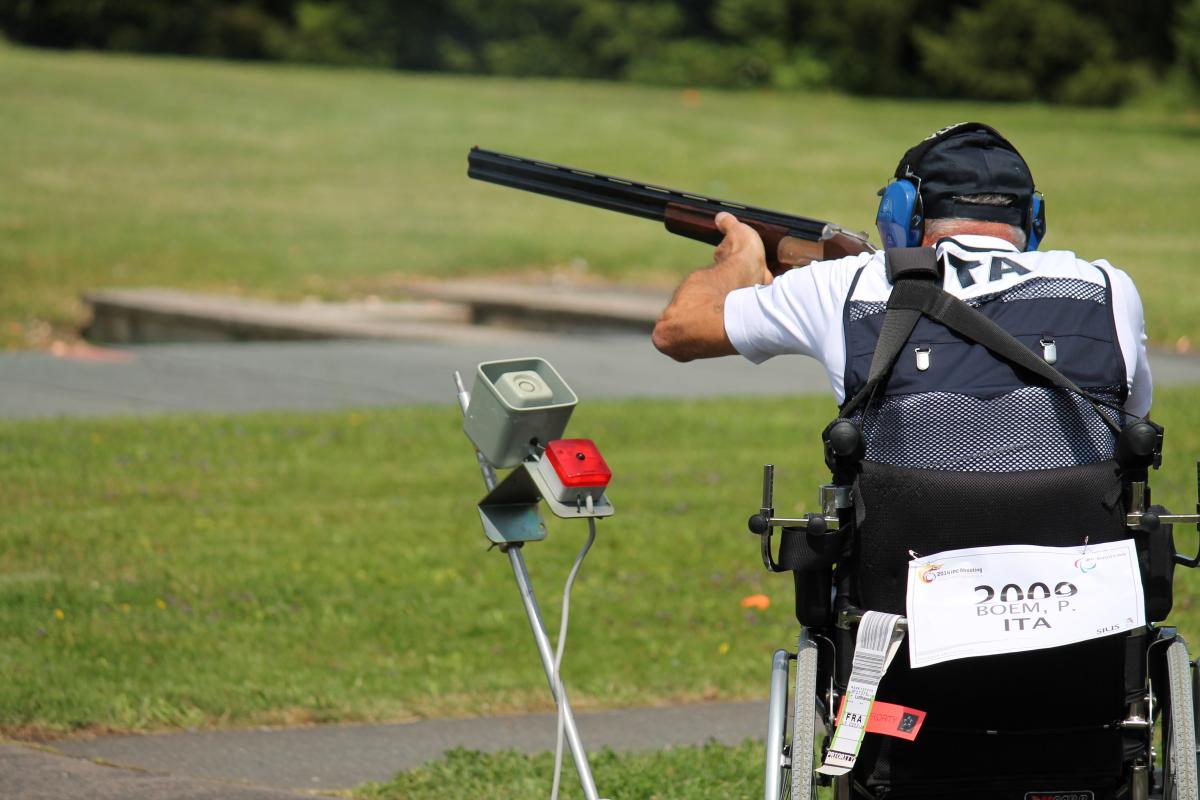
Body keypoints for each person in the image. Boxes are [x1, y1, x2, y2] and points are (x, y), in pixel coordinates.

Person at [652, 121, 1151, 471]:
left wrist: (737, 263)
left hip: (896, 594)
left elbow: (678, 330)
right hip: (1084, 589)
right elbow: (1130, 420)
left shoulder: (847, 287)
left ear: (902, 211)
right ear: (1032, 219)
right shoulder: (1107, 289)